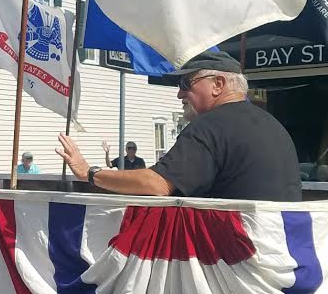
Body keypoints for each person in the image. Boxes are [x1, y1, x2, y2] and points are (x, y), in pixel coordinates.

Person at [56, 50, 300, 201]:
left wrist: (89, 173)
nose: (180, 94)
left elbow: (157, 184)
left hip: (235, 259)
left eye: (186, 83)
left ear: (218, 84)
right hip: (284, 251)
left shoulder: (211, 126)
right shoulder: (273, 125)